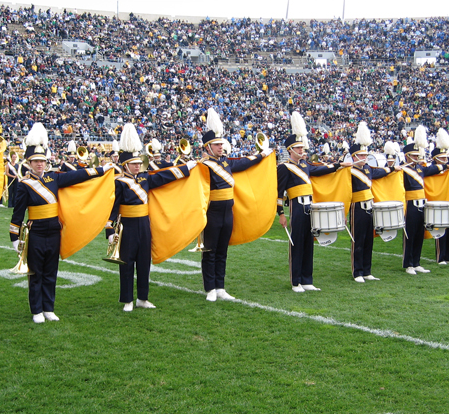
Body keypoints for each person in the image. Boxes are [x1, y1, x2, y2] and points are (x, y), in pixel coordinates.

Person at [10, 123, 112, 323]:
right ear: (29, 163)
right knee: (35, 272)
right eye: (36, 161)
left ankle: (49, 308)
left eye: (42, 161)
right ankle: (36, 310)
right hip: (36, 232)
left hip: (54, 232)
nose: (40, 164)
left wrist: (101, 170)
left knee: (51, 272)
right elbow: (17, 214)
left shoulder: (53, 177)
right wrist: (15, 239)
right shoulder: (23, 185)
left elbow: (77, 176)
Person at [106, 123, 196, 311]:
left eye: (139, 163)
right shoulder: (119, 182)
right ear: (125, 165)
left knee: (144, 262)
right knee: (126, 263)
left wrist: (187, 167)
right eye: (134, 164)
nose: (138, 166)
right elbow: (112, 209)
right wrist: (109, 230)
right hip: (127, 227)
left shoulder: (146, 178)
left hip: (144, 225)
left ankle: (143, 298)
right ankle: (128, 300)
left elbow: (165, 176)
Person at [200, 108, 271, 301]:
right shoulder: (203, 165)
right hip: (213, 212)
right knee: (210, 251)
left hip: (227, 212)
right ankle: (210, 289)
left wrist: (262, 155)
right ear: (208, 147)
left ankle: (220, 287)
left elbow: (244, 163)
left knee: (223, 250)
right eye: (216, 145)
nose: (221, 147)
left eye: (221, 144)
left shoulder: (225, 162)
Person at [276, 112, 346, 291]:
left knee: (309, 243)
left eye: (302, 148)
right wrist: (281, 214)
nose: (302, 151)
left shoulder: (305, 165)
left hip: (310, 207)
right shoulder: (284, 167)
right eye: (298, 148)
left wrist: (338, 166)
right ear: (290, 150)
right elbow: (279, 192)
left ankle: (307, 280)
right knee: (297, 244)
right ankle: (295, 281)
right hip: (297, 207)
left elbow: (320, 170)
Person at [348, 130, 398, 283]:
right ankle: (357, 272)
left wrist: (392, 169)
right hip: (357, 208)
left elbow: (379, 173)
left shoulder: (367, 168)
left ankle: (367, 270)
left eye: (365, 155)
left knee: (369, 240)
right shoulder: (349, 171)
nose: (365, 157)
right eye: (362, 155)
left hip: (370, 207)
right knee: (358, 240)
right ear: (354, 156)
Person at [401, 126, 446, 274]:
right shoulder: (402, 170)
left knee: (420, 233)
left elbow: (433, 169)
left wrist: (445, 166)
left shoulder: (420, 168)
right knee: (410, 234)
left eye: (417, 155)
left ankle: (417, 262)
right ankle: (408, 264)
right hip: (410, 204)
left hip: (422, 204)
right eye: (413, 155)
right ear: (407, 156)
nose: (416, 157)